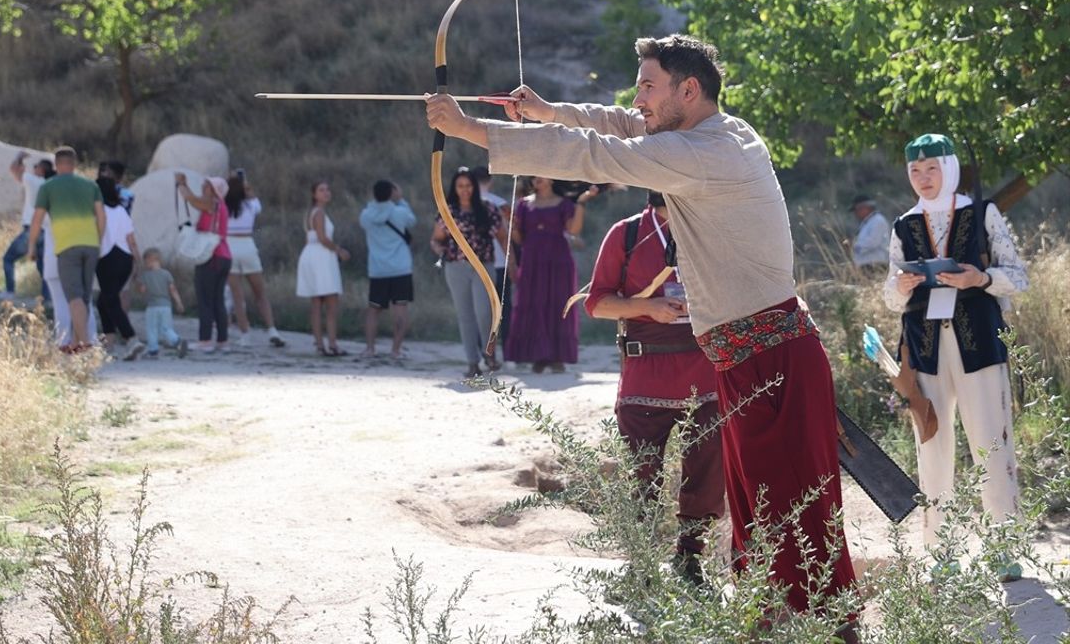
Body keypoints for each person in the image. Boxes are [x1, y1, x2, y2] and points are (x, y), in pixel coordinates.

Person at [425, 34, 857, 639]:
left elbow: (596, 155)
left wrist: (469, 128)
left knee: (794, 522)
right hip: (754, 356)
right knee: (767, 523)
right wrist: (551, 111)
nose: (639, 98)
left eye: (649, 85)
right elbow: (623, 125)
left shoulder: (701, 154)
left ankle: (828, 632)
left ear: (689, 89)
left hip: (771, 360)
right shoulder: (718, 131)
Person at [884, 133, 1028, 581]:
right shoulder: (904, 225)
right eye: (915, 171)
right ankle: (941, 552)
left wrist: (979, 279)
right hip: (925, 352)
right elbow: (890, 296)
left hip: (980, 345)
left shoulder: (982, 212)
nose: (923, 179)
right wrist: (902, 286)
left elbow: (1018, 278)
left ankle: (1004, 548)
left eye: (931, 169)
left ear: (949, 168)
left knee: (991, 441)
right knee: (932, 447)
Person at [585, 191, 724, 586]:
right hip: (646, 371)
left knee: (708, 471)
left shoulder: (710, 230)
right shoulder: (627, 234)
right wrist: (647, 308)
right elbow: (596, 303)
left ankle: (690, 558)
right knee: (641, 472)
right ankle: (641, 561)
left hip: (705, 371)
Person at [506, 175, 594, 373]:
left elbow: (573, 230)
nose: (538, 179)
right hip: (532, 261)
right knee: (534, 304)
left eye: (542, 175)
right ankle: (538, 356)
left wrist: (580, 204)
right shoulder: (523, 204)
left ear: (551, 179)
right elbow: (519, 238)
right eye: (534, 176)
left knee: (557, 304)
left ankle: (557, 357)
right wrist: (510, 223)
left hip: (558, 261)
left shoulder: (563, 204)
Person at [431, 168, 508, 378]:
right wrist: (440, 251)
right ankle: (472, 362)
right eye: (460, 186)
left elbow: (502, 238)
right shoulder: (448, 211)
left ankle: (489, 354)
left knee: (485, 313)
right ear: (454, 189)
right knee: (465, 315)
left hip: (484, 265)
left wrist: (513, 265)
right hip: (456, 266)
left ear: (474, 187)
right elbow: (436, 239)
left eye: (468, 185)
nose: (465, 190)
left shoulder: (488, 209)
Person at [28, 147, 104, 353]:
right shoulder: (91, 186)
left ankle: (85, 344)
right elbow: (101, 216)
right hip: (91, 245)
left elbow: (36, 220)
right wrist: (98, 240)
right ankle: (75, 344)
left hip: (67, 247)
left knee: (74, 297)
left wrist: (31, 245)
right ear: (75, 163)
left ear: (56, 165)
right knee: (85, 298)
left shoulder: (48, 187)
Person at [225, 171, 285, 348]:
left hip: (229, 245)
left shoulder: (223, 206)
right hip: (247, 245)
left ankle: (245, 334)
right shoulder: (251, 205)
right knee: (260, 293)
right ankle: (272, 329)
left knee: (237, 295)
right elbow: (251, 193)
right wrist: (244, 180)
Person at [175, 173, 234, 354]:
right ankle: (222, 341)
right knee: (217, 301)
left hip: (211, 257)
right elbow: (193, 199)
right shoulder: (220, 206)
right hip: (223, 256)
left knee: (205, 299)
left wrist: (182, 185)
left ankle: (205, 340)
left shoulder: (212, 204)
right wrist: (184, 186)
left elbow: (191, 200)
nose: (203, 187)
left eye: (207, 186)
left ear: (215, 190)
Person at [358, 179, 416, 359]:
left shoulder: (366, 215)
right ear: (392, 193)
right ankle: (395, 350)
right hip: (400, 269)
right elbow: (412, 221)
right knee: (400, 309)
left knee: (373, 310)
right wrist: (401, 200)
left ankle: (370, 348)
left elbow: (368, 216)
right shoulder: (399, 212)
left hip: (377, 269)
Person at [297, 181, 350, 356]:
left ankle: (320, 344)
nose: (326, 193)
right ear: (314, 194)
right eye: (322, 190)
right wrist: (338, 250)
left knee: (316, 303)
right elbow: (322, 237)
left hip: (310, 254)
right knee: (330, 302)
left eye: (327, 189)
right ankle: (332, 343)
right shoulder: (318, 213)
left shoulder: (309, 213)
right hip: (321, 256)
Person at [95, 176, 145, 360]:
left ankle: (131, 338)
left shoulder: (98, 211)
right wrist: (138, 264)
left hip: (107, 258)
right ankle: (109, 343)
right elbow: (131, 240)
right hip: (125, 258)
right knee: (104, 301)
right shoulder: (122, 211)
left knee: (110, 300)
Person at [471, 166, 514, 361]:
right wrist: (512, 262)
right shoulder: (501, 204)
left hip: (474, 266)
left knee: (478, 311)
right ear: (491, 180)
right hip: (499, 263)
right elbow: (509, 236)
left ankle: (481, 351)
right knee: (502, 311)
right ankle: (503, 351)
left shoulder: (464, 204)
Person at [2, 152, 52, 301]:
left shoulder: (33, 181)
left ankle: (10, 292)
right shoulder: (50, 185)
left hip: (31, 229)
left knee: (8, 259)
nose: (33, 169)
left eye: (36, 166)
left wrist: (19, 157)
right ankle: (47, 298)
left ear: (41, 170)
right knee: (43, 267)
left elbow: (13, 169)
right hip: (46, 231)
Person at [136, 248, 188, 359]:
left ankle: (153, 350)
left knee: (152, 328)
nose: (145, 264)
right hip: (166, 306)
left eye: (145, 261)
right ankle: (176, 340)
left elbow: (142, 290)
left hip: (152, 307)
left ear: (150, 260)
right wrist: (179, 302)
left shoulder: (145, 275)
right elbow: (172, 289)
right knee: (165, 328)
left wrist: (139, 284)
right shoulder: (166, 274)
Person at [850, 193, 890, 272]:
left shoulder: (878, 221)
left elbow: (872, 242)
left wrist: (853, 246)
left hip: (876, 265)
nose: (855, 213)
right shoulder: (867, 223)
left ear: (865, 208)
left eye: (857, 210)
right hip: (867, 266)